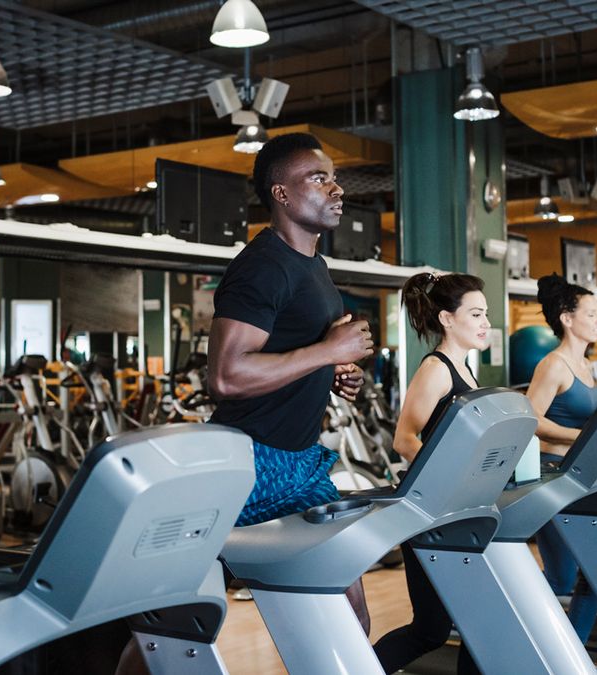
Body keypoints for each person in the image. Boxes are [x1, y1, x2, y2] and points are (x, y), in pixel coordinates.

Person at [207, 132, 374, 624]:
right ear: (281, 193)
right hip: (249, 463)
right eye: (319, 179)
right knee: (182, 617)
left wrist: (334, 371)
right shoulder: (262, 268)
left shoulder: (313, 264)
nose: (336, 189)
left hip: (299, 463)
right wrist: (328, 350)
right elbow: (226, 376)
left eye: (336, 179)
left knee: (350, 614)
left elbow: (301, 353)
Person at [373, 272, 488, 675]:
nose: (485, 323)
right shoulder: (437, 369)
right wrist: (447, 482)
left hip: (456, 506)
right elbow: (404, 440)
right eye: (475, 314)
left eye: (485, 314)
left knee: (470, 624)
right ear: (447, 319)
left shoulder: (467, 371)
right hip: (429, 507)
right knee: (431, 629)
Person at [526, 272, 597, 643]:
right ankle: (509, 631)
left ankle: (572, 657)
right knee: (565, 577)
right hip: (550, 476)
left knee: (592, 574)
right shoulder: (553, 365)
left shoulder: (586, 367)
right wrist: (582, 436)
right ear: (567, 318)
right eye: (592, 313)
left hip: (576, 476)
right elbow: (530, 419)